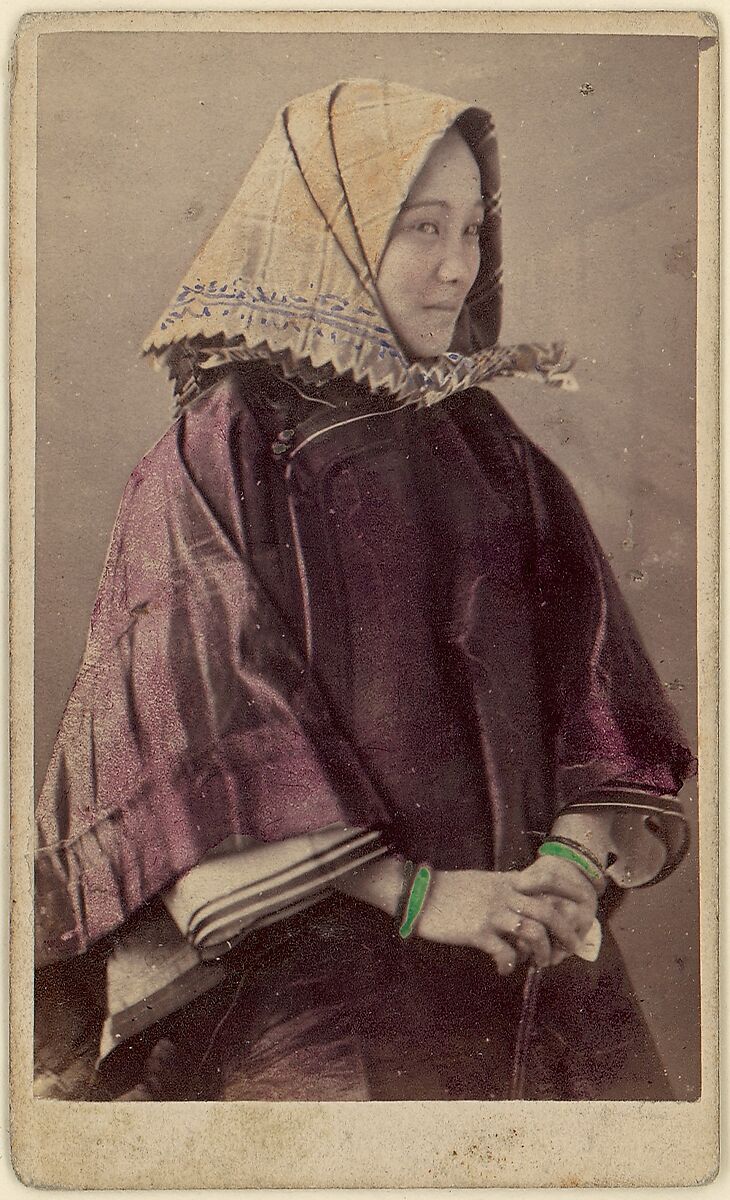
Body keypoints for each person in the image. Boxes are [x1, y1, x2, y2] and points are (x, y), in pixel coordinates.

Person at [34, 79, 695, 1103]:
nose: (458, 267)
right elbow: (207, 732)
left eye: (473, 229)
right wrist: (417, 894)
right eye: (419, 229)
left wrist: (571, 859)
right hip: (318, 984)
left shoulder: (485, 441)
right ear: (320, 234)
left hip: (530, 959)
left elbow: (594, 669)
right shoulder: (223, 445)